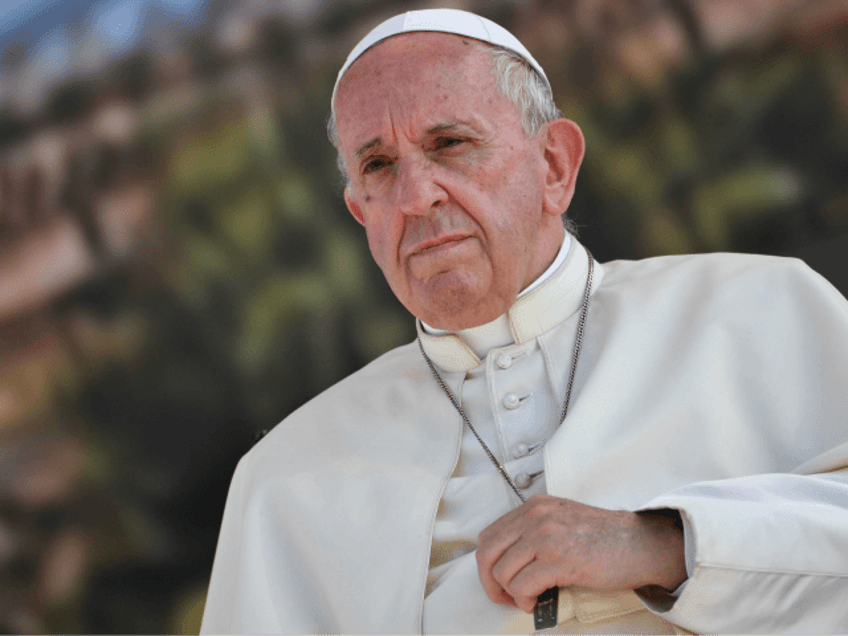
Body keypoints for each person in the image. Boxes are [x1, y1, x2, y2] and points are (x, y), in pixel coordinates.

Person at [200, 9, 848, 634]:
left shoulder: (759, 309)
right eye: (379, 166)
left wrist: (667, 544)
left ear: (555, 166)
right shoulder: (283, 479)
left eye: (449, 144)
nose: (415, 197)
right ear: (360, 213)